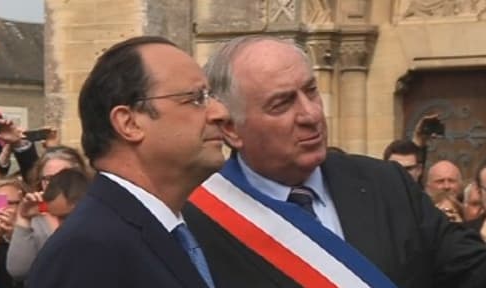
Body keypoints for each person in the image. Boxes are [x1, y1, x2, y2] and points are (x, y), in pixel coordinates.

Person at [183, 35, 486, 288]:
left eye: (311, 91)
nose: (311, 114)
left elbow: (471, 270)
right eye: (282, 103)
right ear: (231, 129)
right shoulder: (197, 221)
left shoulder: (387, 185)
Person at [27, 36, 229, 288]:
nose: (221, 113)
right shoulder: (89, 251)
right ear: (129, 123)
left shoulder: (174, 231)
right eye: (196, 98)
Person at [6, 146, 88, 281]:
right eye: (48, 179)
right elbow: (18, 270)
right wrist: (23, 219)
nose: (55, 184)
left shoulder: (93, 211)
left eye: (63, 177)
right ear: (40, 181)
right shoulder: (34, 217)